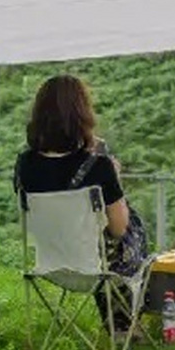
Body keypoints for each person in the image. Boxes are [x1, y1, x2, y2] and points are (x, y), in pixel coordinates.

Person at [13, 74, 148, 335]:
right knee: (132, 223)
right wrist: (114, 179)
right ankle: (124, 323)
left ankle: (121, 322)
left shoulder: (24, 165)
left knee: (99, 238)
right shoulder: (99, 166)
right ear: (82, 114)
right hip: (93, 265)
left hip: (49, 261)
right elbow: (119, 229)